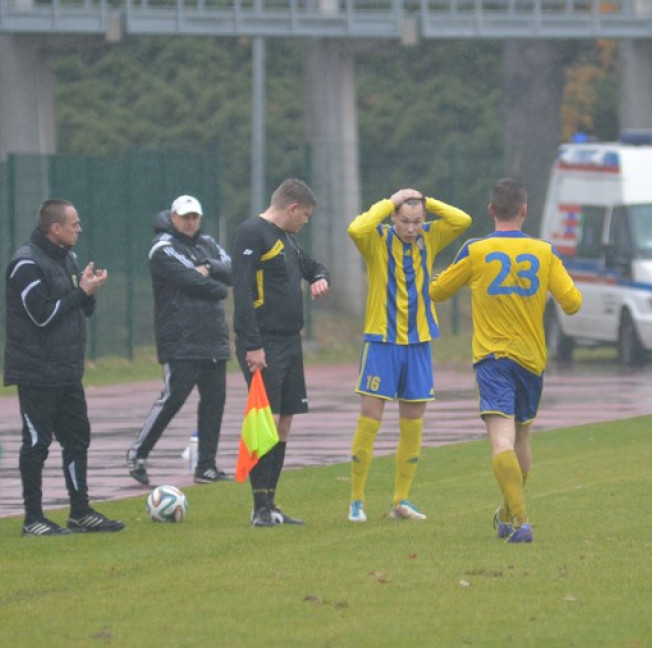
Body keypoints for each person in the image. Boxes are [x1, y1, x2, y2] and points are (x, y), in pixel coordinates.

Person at [431, 179, 582, 543]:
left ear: (491, 210)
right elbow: (573, 303)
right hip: (531, 360)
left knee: (502, 440)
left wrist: (439, 278)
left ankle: (520, 521)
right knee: (523, 437)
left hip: (493, 358)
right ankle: (506, 513)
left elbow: (438, 291)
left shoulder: (476, 250)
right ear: (524, 211)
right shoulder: (543, 251)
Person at [346, 188, 471, 522]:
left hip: (418, 343)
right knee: (370, 419)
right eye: (405, 221)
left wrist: (428, 201)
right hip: (381, 342)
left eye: (417, 221)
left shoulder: (429, 237)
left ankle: (401, 500)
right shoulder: (376, 239)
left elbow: (462, 220)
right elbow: (355, 228)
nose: (412, 228)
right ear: (393, 217)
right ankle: (356, 501)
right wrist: (391, 200)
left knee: (413, 424)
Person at [4, 198, 124, 536]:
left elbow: (80, 308)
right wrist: (80, 292)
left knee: (77, 438)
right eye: (75, 224)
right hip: (36, 371)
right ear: (55, 228)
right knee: (37, 443)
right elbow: (42, 316)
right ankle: (33, 518)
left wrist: (88, 291)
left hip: (67, 369)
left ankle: (80, 512)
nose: (80, 230)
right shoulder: (26, 263)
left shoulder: (68, 257)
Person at [232, 179, 330, 528]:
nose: (306, 221)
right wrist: (253, 344)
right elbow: (242, 293)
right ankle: (259, 507)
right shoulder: (252, 233)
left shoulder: (288, 238)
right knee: (267, 421)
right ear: (292, 208)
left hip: (290, 342)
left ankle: (272, 504)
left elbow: (311, 265)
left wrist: (320, 277)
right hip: (265, 342)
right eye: (305, 215)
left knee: (285, 421)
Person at [126, 195, 232, 486]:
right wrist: (217, 285)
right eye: (185, 217)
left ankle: (206, 466)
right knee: (172, 399)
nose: (190, 222)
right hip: (180, 339)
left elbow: (233, 270)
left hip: (213, 337)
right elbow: (191, 280)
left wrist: (208, 267)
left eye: (194, 216)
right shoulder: (163, 248)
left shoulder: (208, 243)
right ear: (172, 217)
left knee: (214, 402)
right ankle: (137, 453)